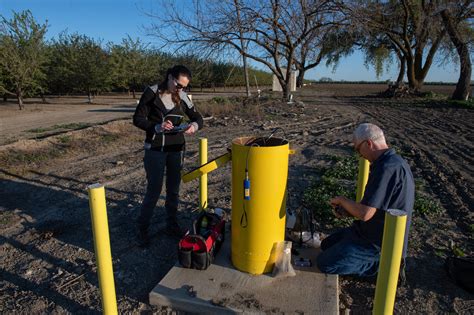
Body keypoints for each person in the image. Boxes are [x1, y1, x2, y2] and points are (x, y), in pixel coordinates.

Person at [316, 123, 415, 277]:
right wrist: (348, 211)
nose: (360, 156)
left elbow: (365, 213)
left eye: (358, 150)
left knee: (326, 263)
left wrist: (342, 200)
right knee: (326, 245)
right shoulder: (391, 162)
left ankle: (386, 269)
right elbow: (373, 209)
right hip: (367, 230)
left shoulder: (386, 168)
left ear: (368, 143)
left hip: (378, 243)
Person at [133, 65, 203, 247]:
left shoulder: (183, 96)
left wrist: (192, 127)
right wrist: (156, 127)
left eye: (184, 87)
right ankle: (142, 229)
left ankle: (172, 225)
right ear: (170, 77)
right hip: (155, 150)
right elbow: (137, 119)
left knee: (173, 190)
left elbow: (198, 118)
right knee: (154, 190)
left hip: (177, 149)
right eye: (179, 85)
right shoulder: (152, 92)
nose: (181, 89)